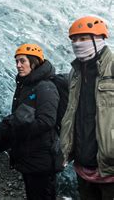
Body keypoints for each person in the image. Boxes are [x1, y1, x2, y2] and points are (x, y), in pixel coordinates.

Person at [0, 43, 59, 200]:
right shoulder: (27, 85)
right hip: (30, 157)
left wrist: (16, 128)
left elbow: (47, 121)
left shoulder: (45, 87)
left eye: (22, 61)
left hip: (40, 160)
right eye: (17, 61)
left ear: (34, 61)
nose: (18, 65)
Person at [60, 16, 114, 199]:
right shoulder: (75, 73)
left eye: (82, 38)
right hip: (83, 167)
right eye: (74, 39)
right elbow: (72, 114)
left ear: (97, 38)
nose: (77, 44)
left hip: (110, 170)